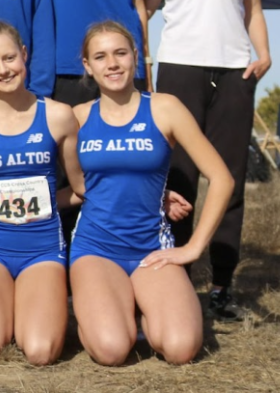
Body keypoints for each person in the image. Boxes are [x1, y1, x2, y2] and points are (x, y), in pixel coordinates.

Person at [147, 0, 272, 321]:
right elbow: (145, 8)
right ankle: (176, 276)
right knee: (179, 177)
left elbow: (253, 9)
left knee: (230, 176)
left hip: (236, 71)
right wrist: (144, 61)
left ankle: (221, 285)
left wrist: (264, 53)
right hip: (180, 70)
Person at [70, 21, 233, 365]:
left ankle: (140, 308)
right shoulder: (76, 118)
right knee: (112, 350)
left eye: (120, 53)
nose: (112, 63)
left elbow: (222, 179)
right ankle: (107, 310)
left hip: (152, 249)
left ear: (136, 57)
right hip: (96, 250)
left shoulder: (165, 108)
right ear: (87, 65)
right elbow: (72, 187)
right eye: (100, 56)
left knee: (180, 348)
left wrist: (193, 247)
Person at [0, 17, 83, 365]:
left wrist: (48, 202)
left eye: (9, 58)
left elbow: (83, 189)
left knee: (40, 351)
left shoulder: (58, 116)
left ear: (24, 54)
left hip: (42, 250)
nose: (3, 70)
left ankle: (29, 304)